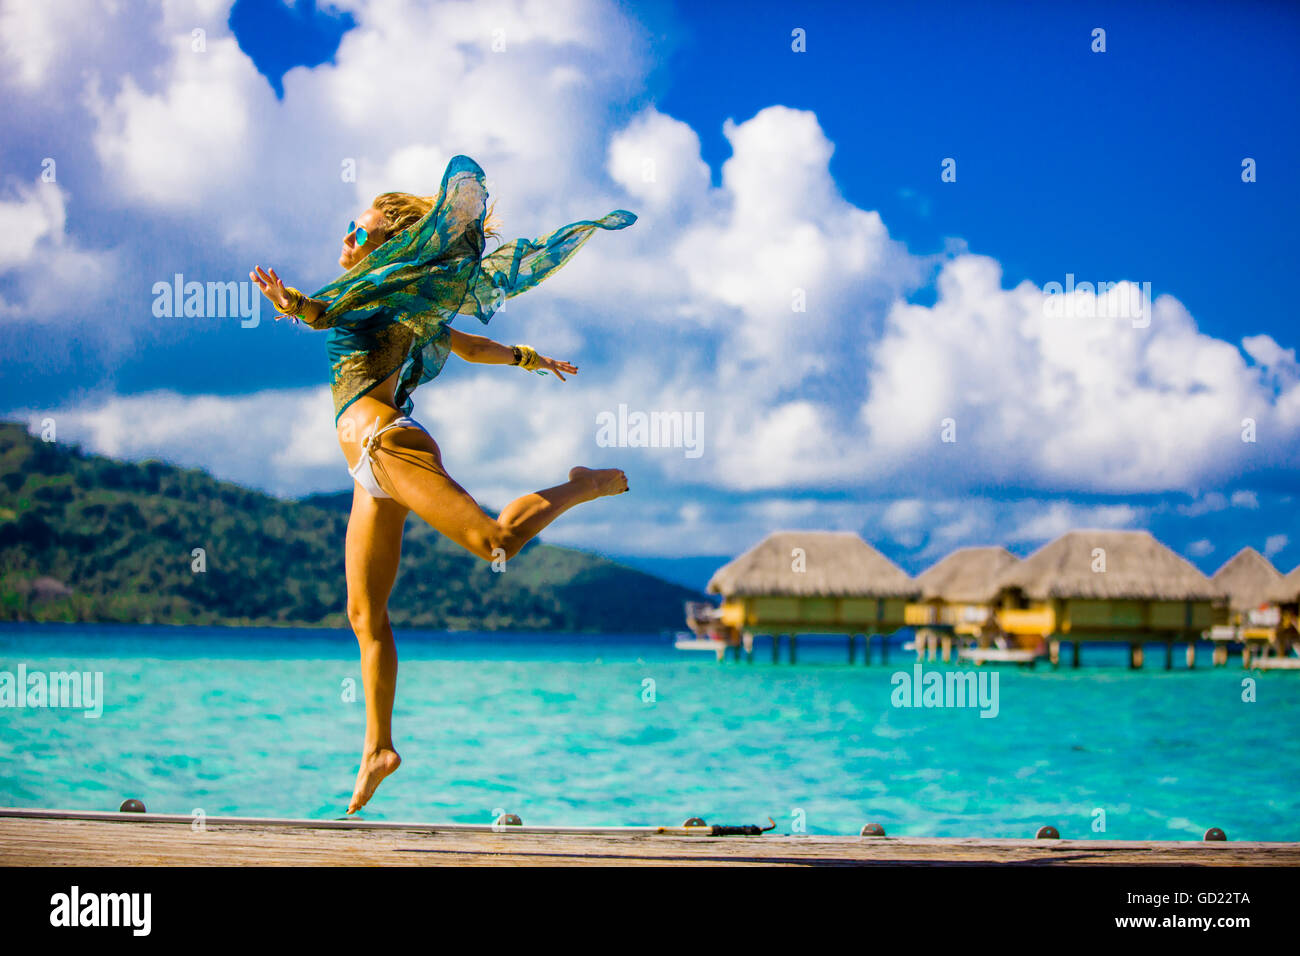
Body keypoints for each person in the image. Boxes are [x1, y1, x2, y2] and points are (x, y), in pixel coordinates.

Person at [249, 154, 636, 813]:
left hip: (386, 444)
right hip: (370, 474)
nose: (347, 237)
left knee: (496, 543)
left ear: (393, 241)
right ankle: (378, 749)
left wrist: (290, 304)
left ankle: (582, 484)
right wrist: (529, 358)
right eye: (349, 226)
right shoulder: (399, 299)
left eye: (360, 229)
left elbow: (316, 312)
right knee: (364, 612)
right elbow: (467, 345)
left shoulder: (365, 294)